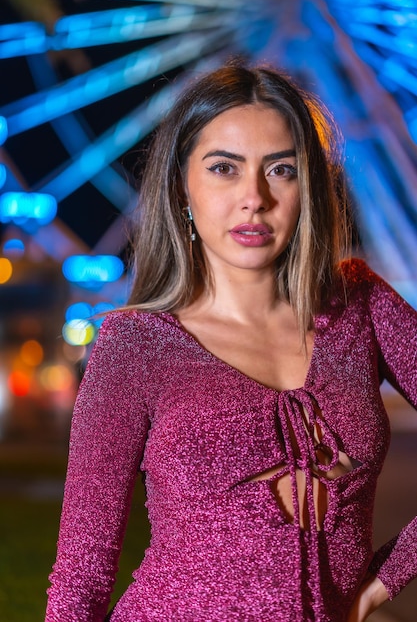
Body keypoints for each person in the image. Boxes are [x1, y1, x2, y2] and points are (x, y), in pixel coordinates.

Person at [45, 62, 417, 622]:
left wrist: (383, 582)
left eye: (281, 170)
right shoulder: (134, 346)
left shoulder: (361, 307)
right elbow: (83, 572)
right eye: (224, 168)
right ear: (182, 186)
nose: (255, 198)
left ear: (309, 185)